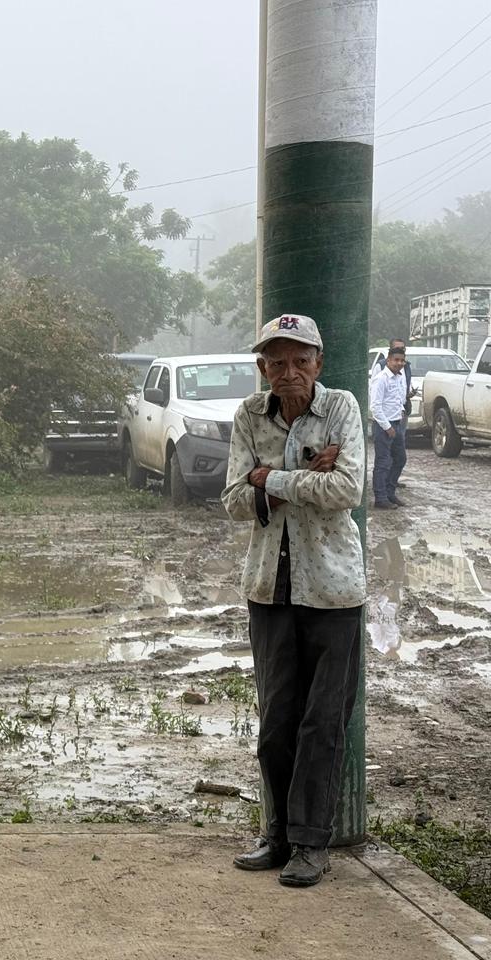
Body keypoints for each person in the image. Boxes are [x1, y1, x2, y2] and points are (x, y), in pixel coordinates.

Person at [222, 313, 366, 889]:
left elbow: (347, 490)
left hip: (333, 591)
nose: (289, 373)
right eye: (276, 362)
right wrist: (298, 474)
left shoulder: (342, 410)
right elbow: (233, 499)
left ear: (318, 363)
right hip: (269, 588)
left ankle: (312, 845)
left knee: (321, 724)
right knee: (276, 722)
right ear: (262, 369)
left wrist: (271, 478)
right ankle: (276, 834)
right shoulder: (247, 416)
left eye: (300, 360)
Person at [369, 347, 408, 509]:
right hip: (384, 426)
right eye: (396, 360)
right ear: (389, 360)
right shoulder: (381, 379)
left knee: (400, 459)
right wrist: (387, 427)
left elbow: (398, 399)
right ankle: (380, 497)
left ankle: (390, 492)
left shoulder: (399, 377)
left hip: (397, 423)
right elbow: (375, 407)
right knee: (383, 462)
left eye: (402, 360)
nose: (399, 363)